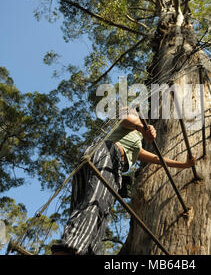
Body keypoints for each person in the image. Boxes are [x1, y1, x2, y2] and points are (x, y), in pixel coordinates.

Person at [51, 109, 197, 255]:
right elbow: (126, 117)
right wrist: (142, 126)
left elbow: (157, 159)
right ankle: (70, 248)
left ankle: (78, 247)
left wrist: (184, 165)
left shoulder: (136, 144)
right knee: (98, 202)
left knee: (85, 203)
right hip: (107, 153)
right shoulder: (132, 122)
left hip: (93, 157)